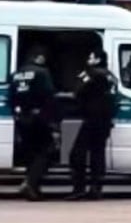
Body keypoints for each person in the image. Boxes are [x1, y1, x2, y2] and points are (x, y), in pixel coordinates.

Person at [7, 47, 57, 200]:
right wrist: (53, 122)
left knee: (30, 153)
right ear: (39, 57)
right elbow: (49, 97)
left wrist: (17, 114)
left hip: (22, 117)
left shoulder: (15, 74)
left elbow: (10, 97)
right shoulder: (42, 73)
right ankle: (30, 182)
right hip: (39, 117)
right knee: (48, 150)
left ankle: (33, 186)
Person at [68, 49, 117, 200]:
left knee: (76, 154)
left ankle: (79, 188)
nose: (88, 59)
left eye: (91, 57)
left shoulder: (92, 73)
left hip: (92, 119)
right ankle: (96, 188)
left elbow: (77, 91)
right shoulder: (111, 76)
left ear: (97, 60)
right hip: (105, 121)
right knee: (98, 155)